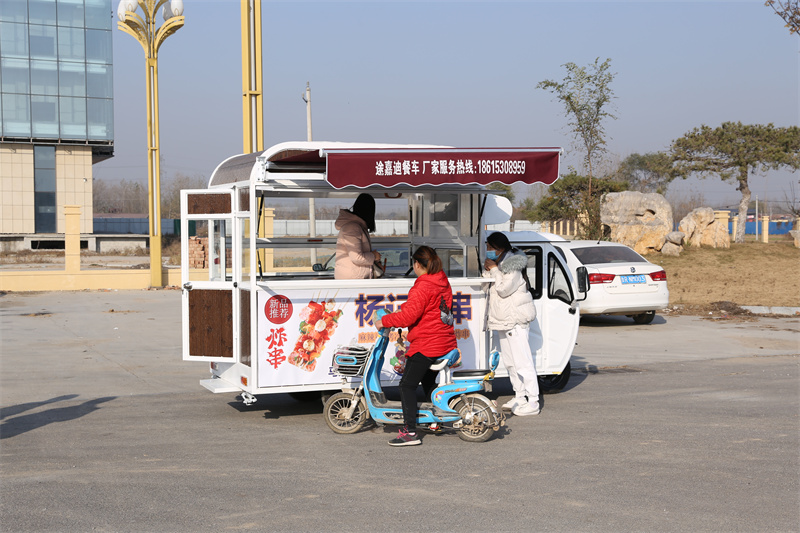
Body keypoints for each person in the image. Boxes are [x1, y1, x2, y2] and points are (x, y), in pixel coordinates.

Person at [373, 246, 457, 446]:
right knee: (428, 381)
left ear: (417, 264)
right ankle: (437, 420)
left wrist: (383, 322)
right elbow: (424, 310)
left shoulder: (423, 286)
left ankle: (410, 432)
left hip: (428, 344)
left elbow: (409, 316)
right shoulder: (442, 281)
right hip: (444, 340)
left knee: (407, 385)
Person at [483, 231, 540, 416]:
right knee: (510, 362)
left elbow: (503, 289)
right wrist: (490, 270)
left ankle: (533, 402)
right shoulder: (499, 264)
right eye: (487, 247)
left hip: (515, 320)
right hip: (503, 320)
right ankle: (519, 395)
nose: (488, 250)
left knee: (522, 362)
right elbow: (487, 284)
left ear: (500, 248)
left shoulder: (512, 265)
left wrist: (493, 270)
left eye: (491, 247)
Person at [334, 193, 381, 279]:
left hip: (353, 278)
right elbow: (356, 257)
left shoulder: (357, 226)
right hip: (353, 280)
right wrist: (373, 256)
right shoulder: (353, 227)